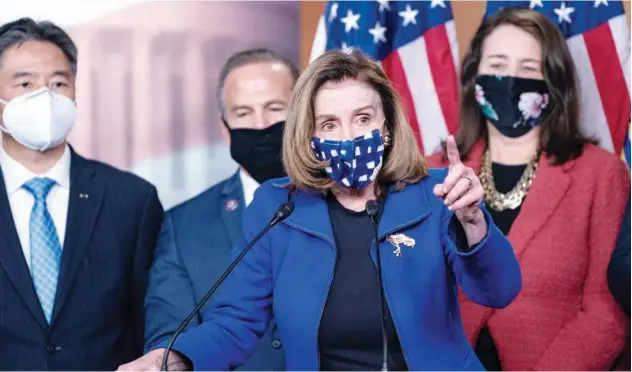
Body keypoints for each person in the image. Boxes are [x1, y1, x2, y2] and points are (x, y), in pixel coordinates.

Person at [118, 49, 521, 371]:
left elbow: (498, 291)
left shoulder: (437, 193)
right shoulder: (278, 206)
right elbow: (236, 323)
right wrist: (167, 360)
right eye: (329, 124)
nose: (347, 137)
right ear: (308, 135)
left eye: (362, 118)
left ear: (387, 126)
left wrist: (473, 222)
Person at [425, 7, 631, 371]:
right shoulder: (433, 171)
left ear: (554, 83)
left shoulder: (601, 175)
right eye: (498, 65)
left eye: (528, 69)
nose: (510, 80)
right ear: (475, 77)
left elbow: (606, 312)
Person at [0, 18, 163, 370]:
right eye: (25, 82)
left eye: (59, 82)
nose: (45, 96)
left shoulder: (132, 199)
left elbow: (146, 320)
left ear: (75, 91)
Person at [143, 48, 298, 370]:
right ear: (225, 127)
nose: (260, 125)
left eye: (274, 108)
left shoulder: (349, 204)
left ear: (303, 115)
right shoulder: (182, 226)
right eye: (243, 113)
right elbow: (169, 337)